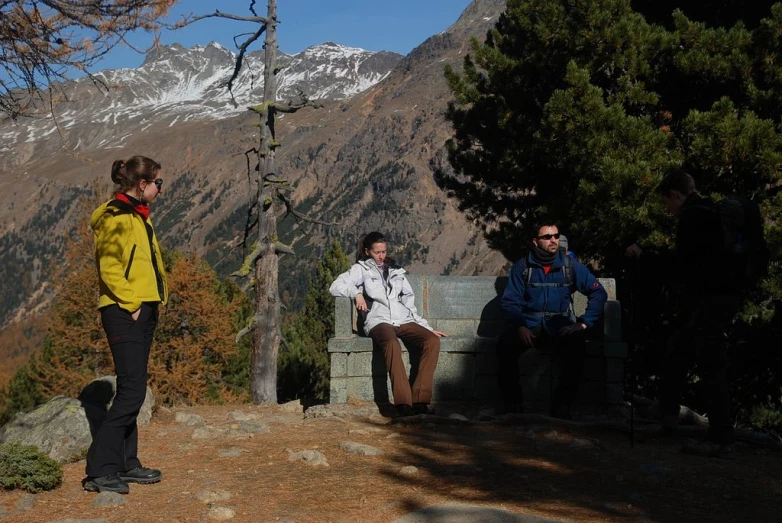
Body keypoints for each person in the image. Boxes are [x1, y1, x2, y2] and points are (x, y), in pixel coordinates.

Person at [626, 168, 739, 456]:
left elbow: (682, 265)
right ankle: (667, 415)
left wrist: (645, 257)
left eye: (666, 203)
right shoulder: (712, 213)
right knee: (678, 351)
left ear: (675, 195)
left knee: (711, 366)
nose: (668, 210)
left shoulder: (693, 217)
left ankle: (720, 437)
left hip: (707, 303)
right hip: (719, 299)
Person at [84, 156, 168, 493]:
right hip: (124, 310)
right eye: (158, 183)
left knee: (132, 388)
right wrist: (131, 303)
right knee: (133, 391)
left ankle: (126, 463)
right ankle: (100, 469)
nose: (161, 188)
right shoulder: (115, 217)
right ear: (142, 184)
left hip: (143, 308)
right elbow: (110, 266)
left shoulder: (138, 215)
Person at [498, 221, 607, 418]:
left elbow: (598, 293)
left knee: (577, 346)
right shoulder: (522, 267)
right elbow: (510, 301)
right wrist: (520, 326)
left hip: (560, 326)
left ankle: (562, 405)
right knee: (505, 345)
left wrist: (583, 323)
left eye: (556, 236)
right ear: (535, 241)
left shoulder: (570, 266)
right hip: (530, 326)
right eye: (547, 237)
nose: (553, 240)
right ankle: (513, 404)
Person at [330, 232, 445, 417]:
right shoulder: (360, 270)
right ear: (367, 251)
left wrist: (426, 327)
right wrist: (356, 293)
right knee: (392, 344)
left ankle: (420, 401)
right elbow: (335, 286)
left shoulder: (396, 271)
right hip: (378, 321)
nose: (381, 256)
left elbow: (409, 303)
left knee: (432, 341)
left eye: (384, 251)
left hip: (402, 319)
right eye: (377, 252)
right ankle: (403, 404)